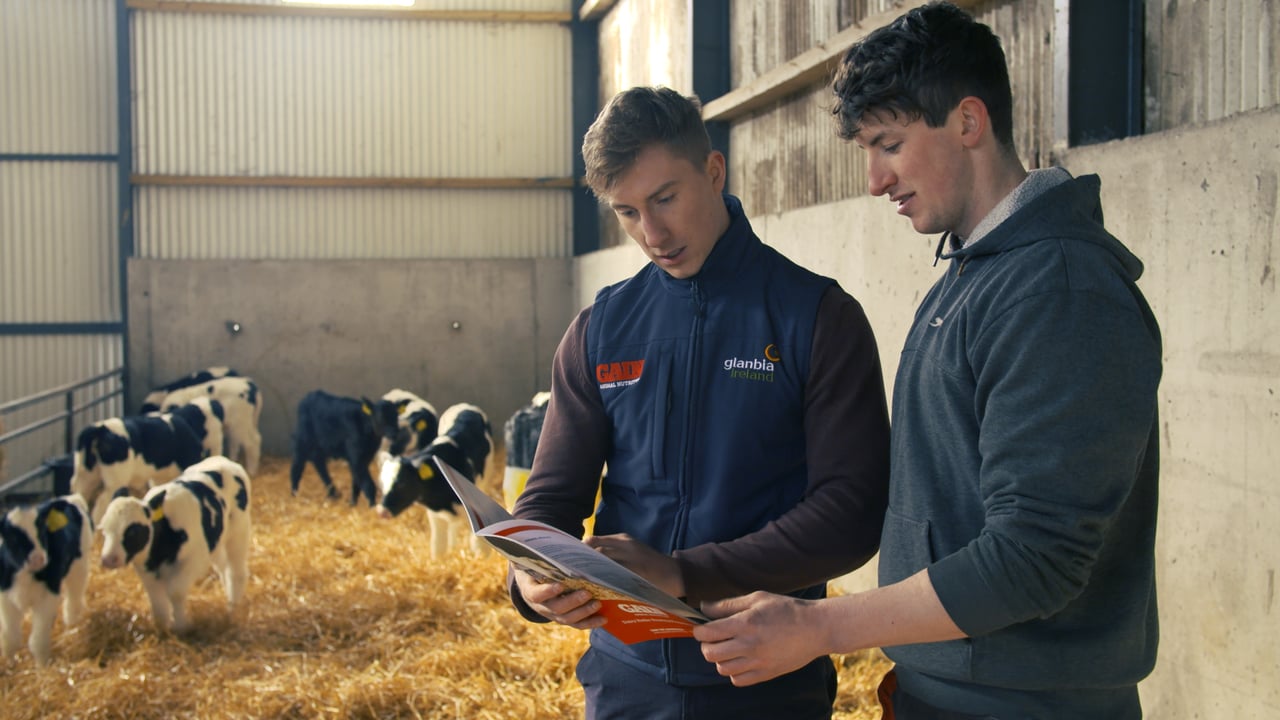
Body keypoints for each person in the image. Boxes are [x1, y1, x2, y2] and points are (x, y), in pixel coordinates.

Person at [692, 4, 1164, 719]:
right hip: (953, 688)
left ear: (968, 121)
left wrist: (820, 627)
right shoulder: (975, 275)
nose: (875, 180)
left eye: (889, 144)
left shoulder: (1059, 291)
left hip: (1022, 705)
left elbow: (1035, 556)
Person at [507, 85, 892, 719]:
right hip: (624, 680)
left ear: (714, 172)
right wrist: (529, 576)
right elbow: (550, 498)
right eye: (627, 212)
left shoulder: (817, 317)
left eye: (665, 199)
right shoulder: (600, 330)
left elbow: (850, 514)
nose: (652, 233)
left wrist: (684, 573)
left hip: (765, 677)